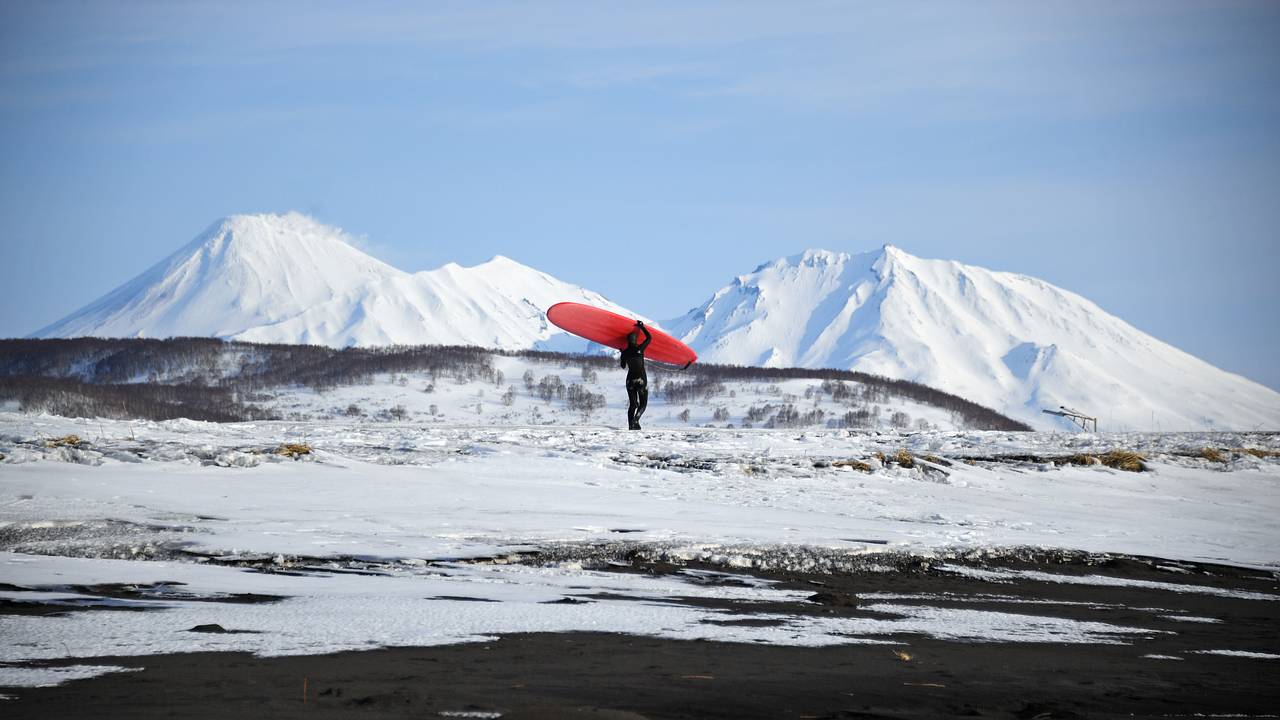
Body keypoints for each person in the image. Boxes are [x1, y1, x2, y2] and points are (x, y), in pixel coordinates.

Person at [619, 320, 652, 430]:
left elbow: (623, 366)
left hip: (630, 381)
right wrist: (642, 327)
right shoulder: (639, 349)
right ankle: (636, 419)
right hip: (641, 379)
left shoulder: (625, 352)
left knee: (633, 405)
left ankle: (631, 426)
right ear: (636, 341)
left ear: (628, 342)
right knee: (643, 404)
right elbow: (649, 338)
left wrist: (622, 354)